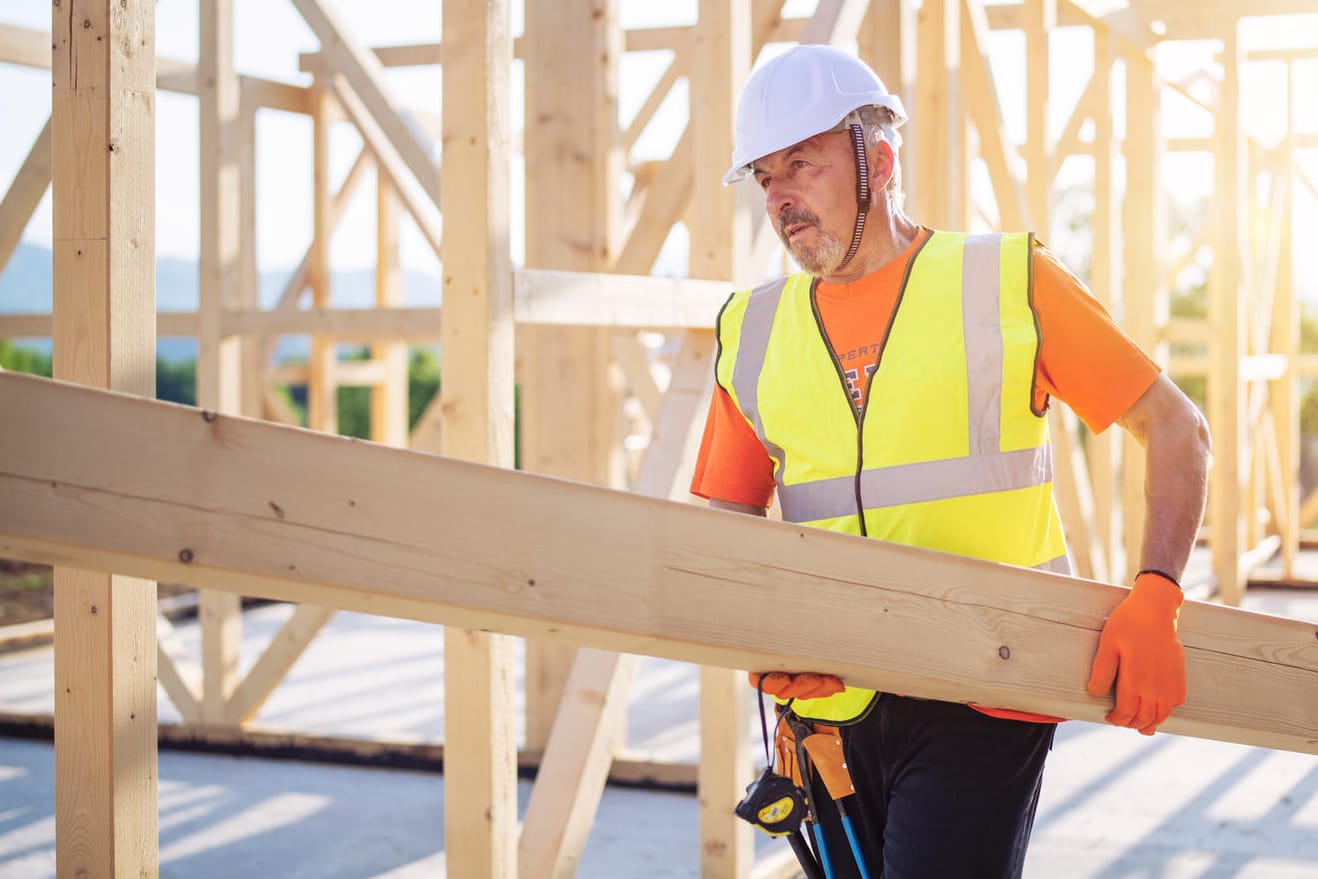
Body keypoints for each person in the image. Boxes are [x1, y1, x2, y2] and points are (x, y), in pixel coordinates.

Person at [690, 44, 1212, 879]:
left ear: (880, 162)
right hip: (827, 707)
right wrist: (759, 625)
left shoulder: (1008, 281)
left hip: (985, 690)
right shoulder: (751, 331)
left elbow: (1177, 427)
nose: (780, 195)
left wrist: (1157, 593)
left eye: (802, 164)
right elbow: (730, 519)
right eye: (764, 177)